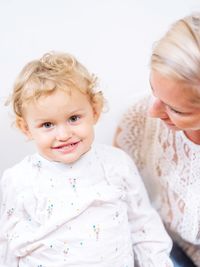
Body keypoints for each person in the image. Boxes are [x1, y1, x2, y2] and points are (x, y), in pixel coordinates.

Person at [0, 52, 173, 267]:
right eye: (47, 125)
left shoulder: (116, 164)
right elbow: (8, 241)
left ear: (95, 111)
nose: (63, 135)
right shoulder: (19, 180)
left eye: (73, 118)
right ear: (25, 128)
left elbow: (143, 225)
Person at [114, 12, 200, 267]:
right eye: (154, 90)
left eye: (176, 109)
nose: (153, 111)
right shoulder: (141, 118)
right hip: (159, 242)